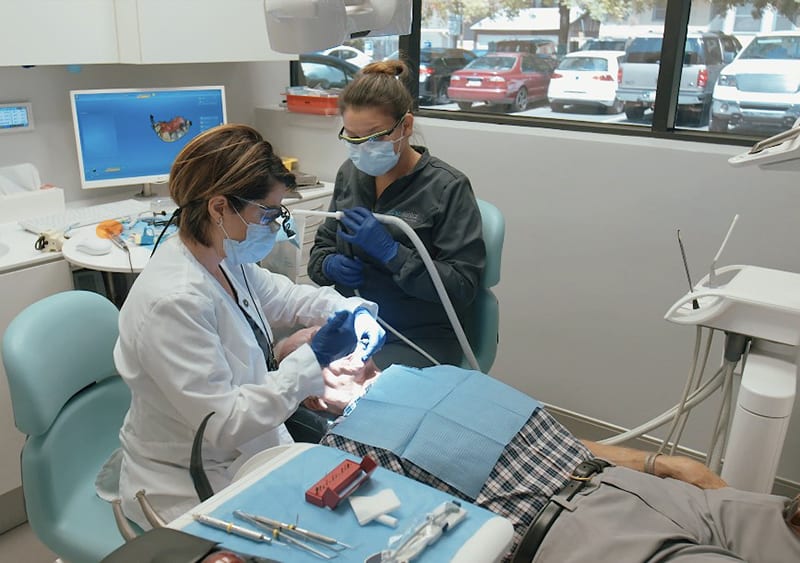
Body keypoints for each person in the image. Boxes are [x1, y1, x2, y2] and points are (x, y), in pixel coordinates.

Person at [96, 124, 386, 529]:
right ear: (219, 208)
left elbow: (287, 297)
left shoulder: (224, 260)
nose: (274, 226)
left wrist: (353, 311)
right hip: (188, 484)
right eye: (267, 214)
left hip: (249, 451)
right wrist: (312, 358)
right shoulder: (175, 301)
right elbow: (223, 424)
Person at [320, 363, 800, 563]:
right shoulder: (341, 451)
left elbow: (555, 435)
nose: (342, 357)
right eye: (319, 354)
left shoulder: (438, 375)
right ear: (310, 400)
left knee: (782, 523)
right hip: (576, 536)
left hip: (631, 486)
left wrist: (660, 464)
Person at [307, 59, 486, 370]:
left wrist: (393, 254)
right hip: (355, 322)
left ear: (406, 126)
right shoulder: (350, 175)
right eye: (352, 138)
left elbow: (462, 287)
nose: (363, 149)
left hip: (419, 336)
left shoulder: (447, 187)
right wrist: (329, 265)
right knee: (293, 379)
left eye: (375, 137)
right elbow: (320, 251)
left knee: (353, 398)